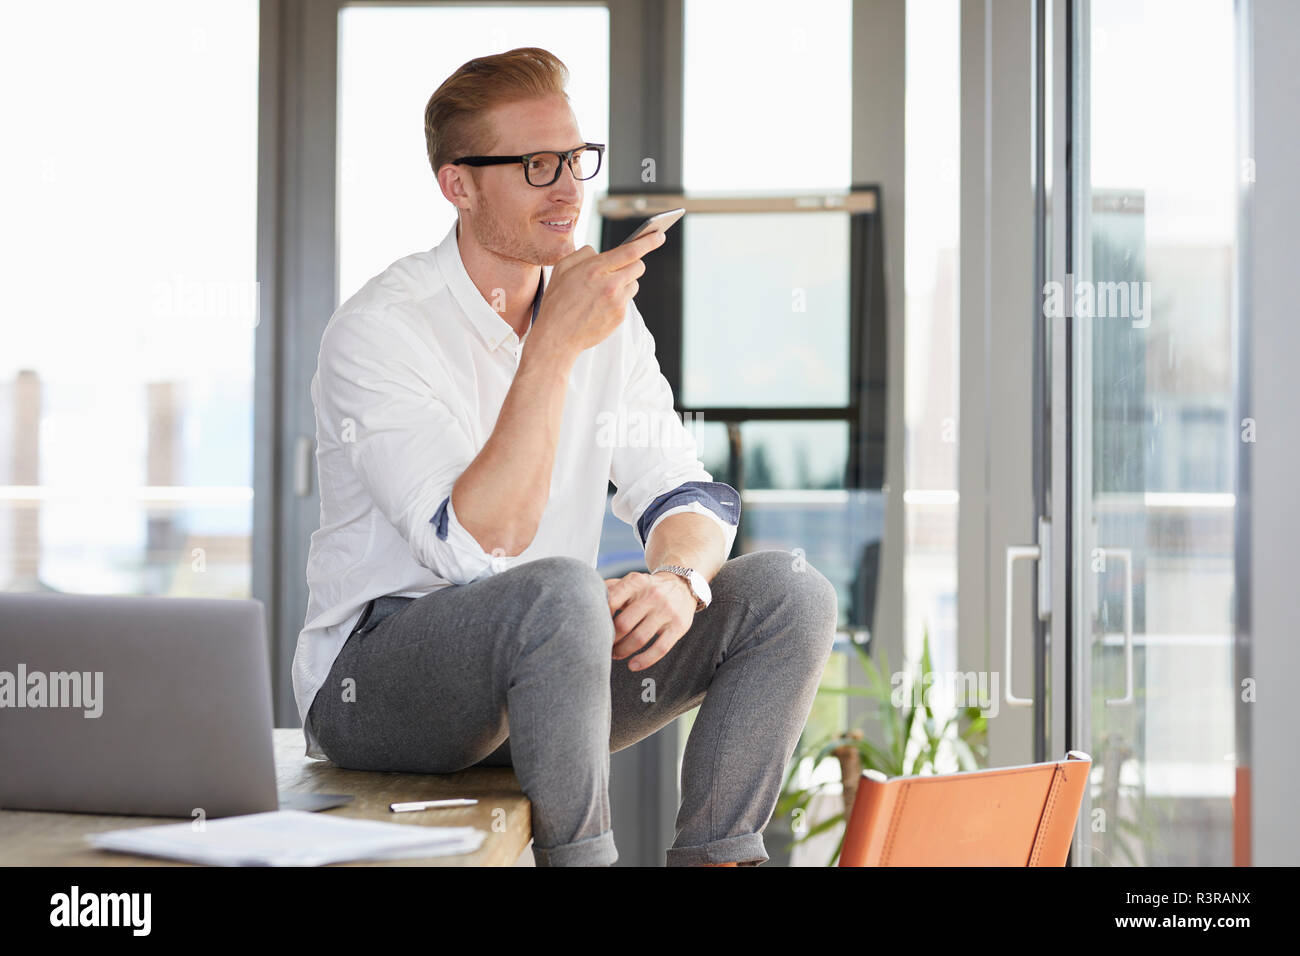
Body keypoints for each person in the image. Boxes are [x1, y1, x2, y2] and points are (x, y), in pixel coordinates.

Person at [292, 46, 838, 867]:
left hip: (555, 666)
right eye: (538, 165)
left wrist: (678, 582)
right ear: (459, 185)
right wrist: (551, 347)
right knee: (558, 589)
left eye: (577, 159)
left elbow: (680, 488)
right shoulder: (381, 329)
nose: (570, 188)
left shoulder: (604, 319)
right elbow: (477, 547)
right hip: (379, 679)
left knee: (787, 591)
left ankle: (718, 861)